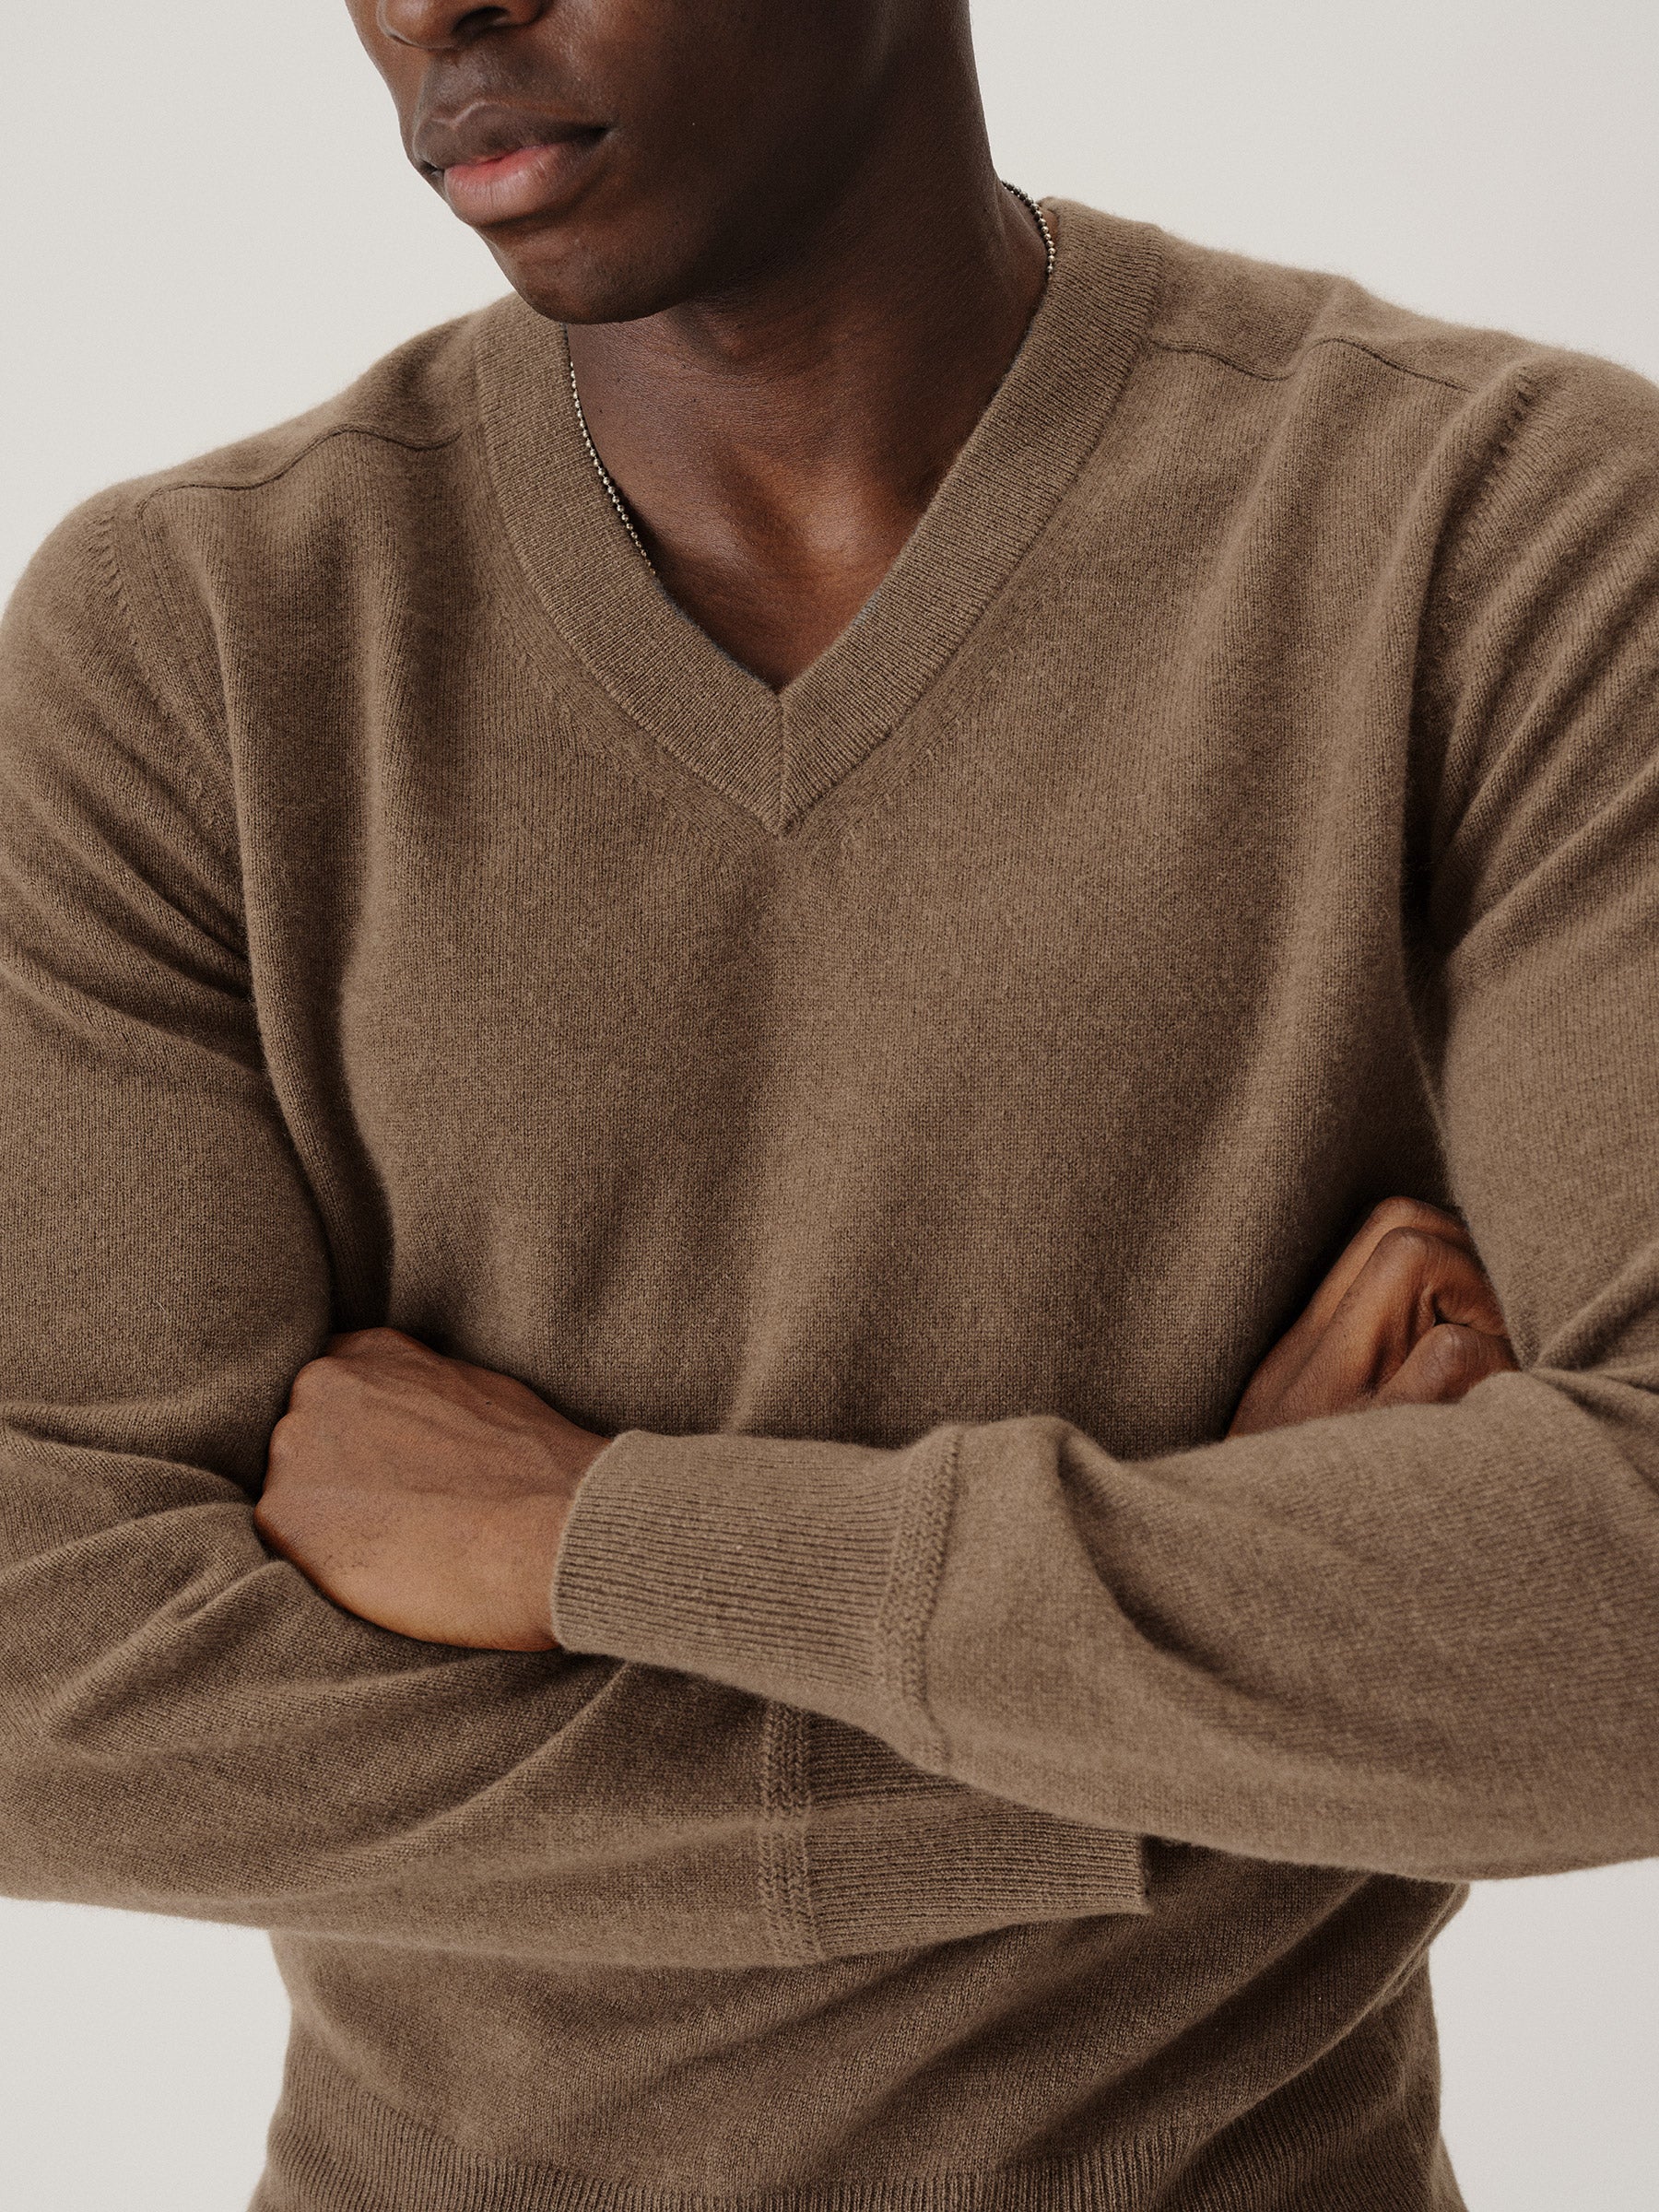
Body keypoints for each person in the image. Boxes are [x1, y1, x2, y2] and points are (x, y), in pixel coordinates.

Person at [1, 1, 1655, 2206]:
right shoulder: (195, 642)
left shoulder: (1507, 536)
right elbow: (47, 1690)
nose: (425, 12)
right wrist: (1191, 1721)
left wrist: (592, 1546)